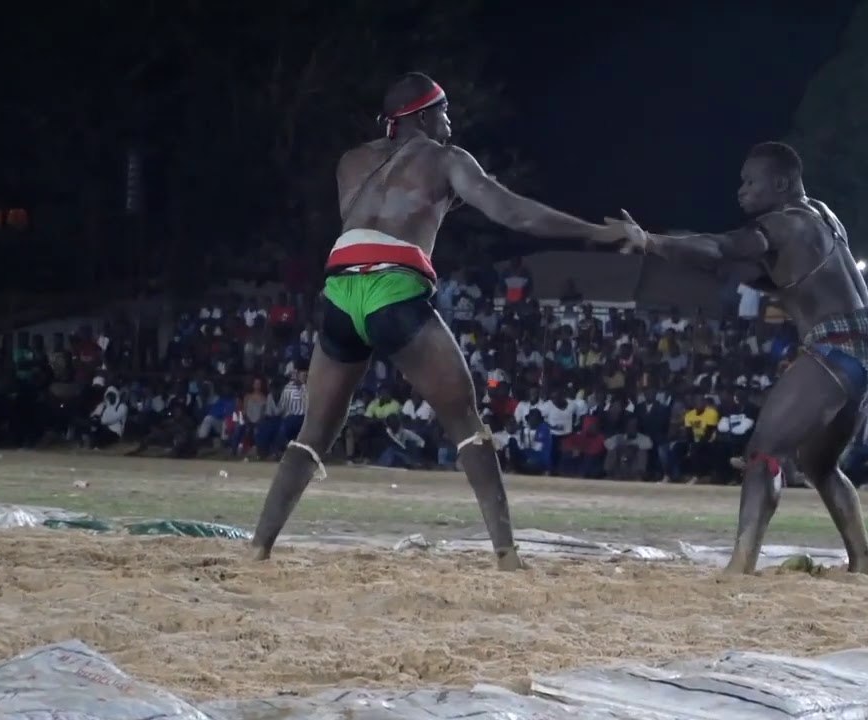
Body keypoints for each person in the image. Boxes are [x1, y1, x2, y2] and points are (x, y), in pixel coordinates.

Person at [249, 72, 633, 569]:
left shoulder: (350, 162)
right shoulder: (447, 159)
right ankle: (508, 556)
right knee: (466, 422)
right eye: (445, 111)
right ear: (423, 115)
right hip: (393, 287)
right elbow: (516, 215)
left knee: (314, 432)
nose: (451, 121)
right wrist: (596, 234)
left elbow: (367, 221)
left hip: (341, 291)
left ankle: (259, 547)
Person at [617, 141, 868, 575]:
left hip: (837, 347)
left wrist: (650, 242)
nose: (742, 192)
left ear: (782, 183)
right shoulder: (823, 217)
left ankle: (741, 563)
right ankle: (862, 561)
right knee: (818, 463)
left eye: (751, 183)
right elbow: (756, 270)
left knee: (763, 452)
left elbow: (720, 249)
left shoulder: (784, 224)